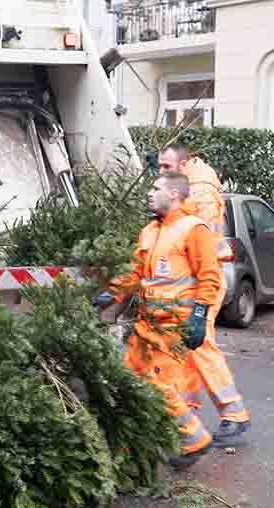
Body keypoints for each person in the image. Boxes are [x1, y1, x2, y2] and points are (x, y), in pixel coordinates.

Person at [95, 172, 220, 468]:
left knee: (157, 385)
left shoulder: (194, 229)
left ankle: (195, 439)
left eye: (155, 188)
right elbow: (136, 273)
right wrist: (111, 294)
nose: (149, 193)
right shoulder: (149, 231)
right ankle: (129, 451)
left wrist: (200, 316)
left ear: (175, 194)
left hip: (173, 325)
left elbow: (209, 277)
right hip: (146, 325)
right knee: (128, 380)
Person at [158, 144, 251, 447]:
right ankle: (188, 414)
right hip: (191, 283)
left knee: (201, 346)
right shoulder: (188, 183)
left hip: (204, 283)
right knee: (187, 349)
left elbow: (202, 243)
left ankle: (234, 414)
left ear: (183, 164)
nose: (161, 172)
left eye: (165, 167)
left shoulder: (201, 191)